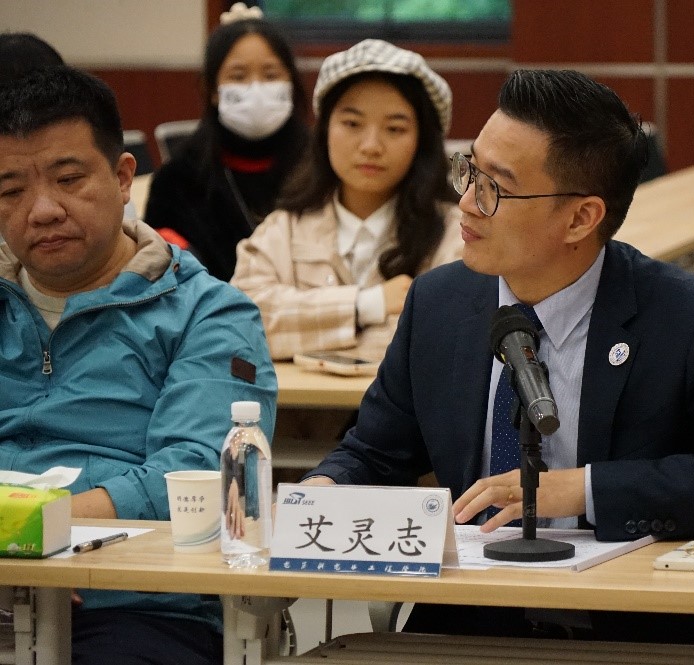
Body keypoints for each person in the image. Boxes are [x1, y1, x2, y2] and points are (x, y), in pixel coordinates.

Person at [300, 69, 694, 645]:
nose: (466, 201)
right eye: (469, 170)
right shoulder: (440, 304)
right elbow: (375, 452)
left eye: (496, 187)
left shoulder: (690, 318)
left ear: (581, 218)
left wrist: (586, 490)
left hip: (640, 637)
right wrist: (321, 490)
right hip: (473, 632)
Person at [0, 65, 277, 664]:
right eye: (10, 191)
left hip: (135, 601)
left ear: (124, 177)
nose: (42, 210)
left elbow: (197, 475)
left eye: (68, 179)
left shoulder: (209, 313)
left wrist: (26, 534)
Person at [230, 39, 462, 360]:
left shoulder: (456, 233)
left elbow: (448, 338)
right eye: (352, 124)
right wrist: (367, 305)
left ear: (422, 142)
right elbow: (240, 323)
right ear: (325, 129)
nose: (371, 146)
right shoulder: (284, 227)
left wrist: (301, 332)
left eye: (395, 129)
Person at [144, 3, 308, 281]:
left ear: (291, 83)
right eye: (238, 76)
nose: (256, 89)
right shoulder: (177, 181)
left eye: (270, 75)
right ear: (212, 89)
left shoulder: (322, 166)